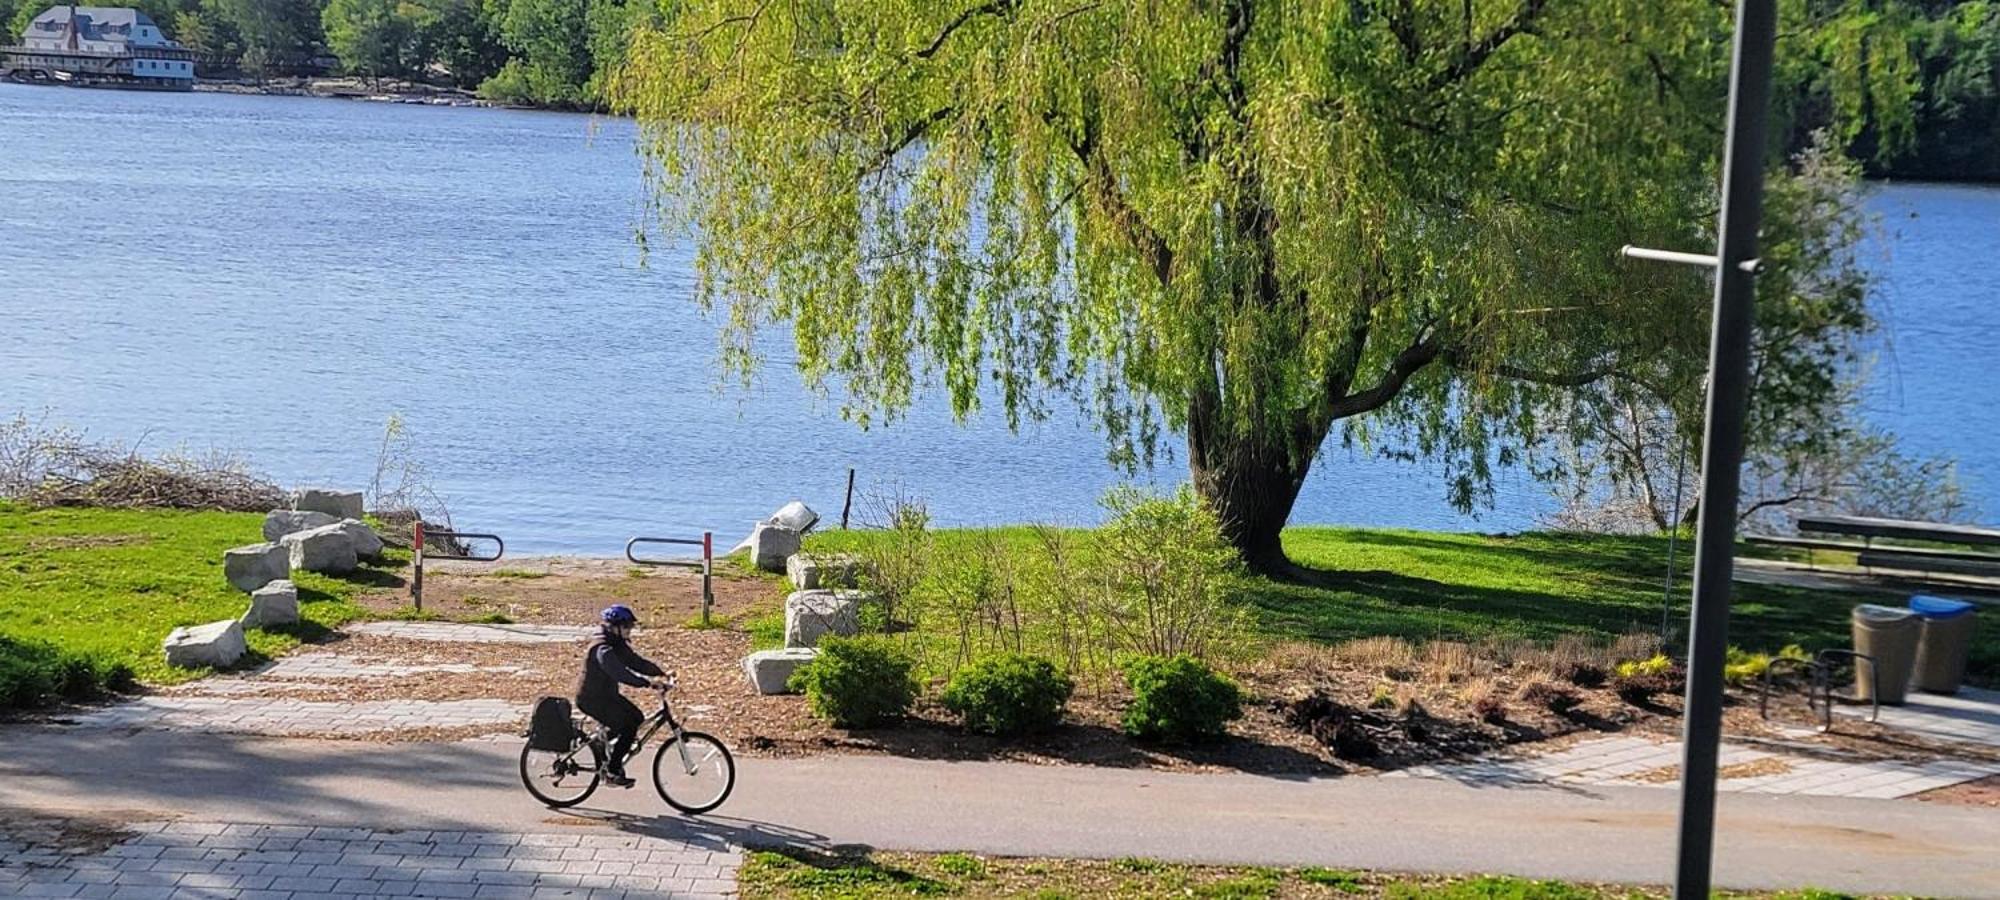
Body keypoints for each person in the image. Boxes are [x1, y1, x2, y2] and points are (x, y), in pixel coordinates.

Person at [574, 604, 667, 787]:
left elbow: (634, 662)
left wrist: (660, 672)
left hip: (606, 695)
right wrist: (648, 683)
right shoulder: (603, 649)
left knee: (636, 717)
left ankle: (601, 745)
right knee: (628, 727)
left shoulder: (615, 642)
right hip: (591, 699)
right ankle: (612, 771)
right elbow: (620, 673)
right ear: (614, 627)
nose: (629, 630)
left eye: (631, 627)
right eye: (626, 627)